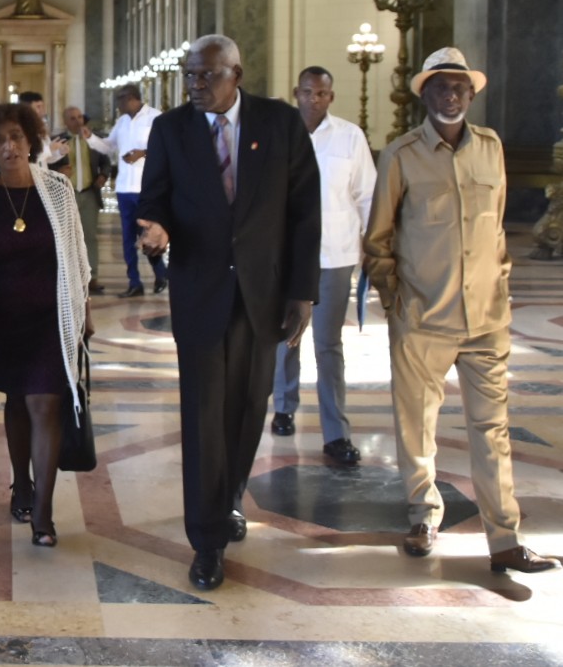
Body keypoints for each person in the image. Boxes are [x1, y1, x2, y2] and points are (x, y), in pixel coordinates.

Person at [363, 47, 560, 574]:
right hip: (423, 319)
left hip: (486, 321)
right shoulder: (401, 155)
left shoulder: (490, 149)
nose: (450, 96)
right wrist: (396, 300)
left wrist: (500, 284)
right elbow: (378, 239)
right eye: (440, 87)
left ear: (471, 95)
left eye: (459, 88)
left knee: (493, 430)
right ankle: (424, 516)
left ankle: (505, 540)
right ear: (424, 95)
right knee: (417, 427)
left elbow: (494, 228)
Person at [137, 35, 320, 591]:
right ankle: (207, 538)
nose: (194, 84)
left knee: (248, 407)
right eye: (190, 75)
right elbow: (153, 200)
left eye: (206, 75)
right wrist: (156, 230)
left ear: (236, 74)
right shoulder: (171, 129)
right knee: (203, 415)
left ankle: (229, 496)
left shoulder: (280, 123)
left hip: (262, 296)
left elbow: (304, 212)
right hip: (199, 292)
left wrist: (302, 292)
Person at [0, 103, 92, 547]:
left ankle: (44, 512)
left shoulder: (57, 188)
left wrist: (84, 308)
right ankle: (22, 483)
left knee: (45, 405)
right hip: (2, 317)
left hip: (51, 316)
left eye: (15, 137)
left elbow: (77, 252)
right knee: (17, 402)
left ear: (30, 139)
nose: (9, 146)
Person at [270, 67, 375, 467]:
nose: (314, 99)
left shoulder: (350, 136)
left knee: (328, 344)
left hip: (336, 254)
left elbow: (367, 195)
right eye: (308, 92)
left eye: (322, 94)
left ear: (331, 97)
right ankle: (284, 406)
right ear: (296, 92)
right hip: (289, 255)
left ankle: (336, 432)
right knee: (286, 335)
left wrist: (372, 245)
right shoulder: (280, 135)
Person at [88, 83, 168, 297]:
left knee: (148, 234)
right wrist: (90, 137)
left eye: (120, 100)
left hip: (146, 189)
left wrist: (142, 153)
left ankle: (161, 273)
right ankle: (135, 282)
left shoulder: (155, 118)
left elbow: (166, 149)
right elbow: (108, 146)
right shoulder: (122, 122)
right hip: (124, 188)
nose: (118, 105)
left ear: (131, 98)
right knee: (127, 238)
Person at [58, 106, 112, 294]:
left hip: (89, 194)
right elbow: (47, 166)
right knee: (67, 238)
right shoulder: (57, 141)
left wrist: (103, 176)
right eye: (72, 118)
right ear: (65, 122)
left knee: (89, 236)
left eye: (80, 117)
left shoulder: (92, 140)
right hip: (67, 195)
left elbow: (106, 161)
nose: (78, 121)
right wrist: (58, 172)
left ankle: (93, 277)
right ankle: (70, 278)